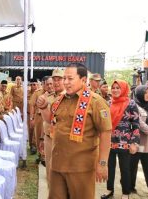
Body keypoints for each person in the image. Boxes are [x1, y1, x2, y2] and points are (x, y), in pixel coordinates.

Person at [38, 63, 112, 199]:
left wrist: (102, 164)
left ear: (83, 80)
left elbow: (105, 133)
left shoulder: (96, 102)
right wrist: (43, 108)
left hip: (80, 168)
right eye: (64, 78)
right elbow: (51, 120)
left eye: (70, 78)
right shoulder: (60, 99)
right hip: (58, 164)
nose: (65, 82)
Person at [101, 80, 140, 199]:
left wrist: (134, 142)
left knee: (125, 169)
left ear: (123, 89)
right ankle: (109, 190)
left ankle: (126, 193)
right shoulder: (108, 103)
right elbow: (104, 123)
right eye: (113, 88)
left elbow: (136, 125)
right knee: (109, 168)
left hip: (125, 143)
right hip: (109, 142)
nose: (115, 90)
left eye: (118, 88)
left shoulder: (131, 104)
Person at [37, 69, 65, 187]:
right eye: (54, 80)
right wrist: (43, 138)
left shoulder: (70, 97)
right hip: (49, 138)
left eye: (59, 79)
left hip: (64, 140)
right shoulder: (47, 98)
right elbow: (46, 121)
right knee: (50, 170)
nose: (56, 82)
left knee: (63, 172)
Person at [30, 76, 53, 164]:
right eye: (47, 84)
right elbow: (32, 105)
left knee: (47, 137)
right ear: (43, 84)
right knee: (38, 136)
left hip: (50, 119)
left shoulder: (55, 94)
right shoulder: (37, 93)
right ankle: (41, 155)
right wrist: (31, 118)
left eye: (51, 84)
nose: (49, 86)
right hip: (39, 118)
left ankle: (45, 157)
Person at [130, 85, 148, 194]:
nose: (147, 95)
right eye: (145, 93)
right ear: (140, 94)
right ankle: (130, 187)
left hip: (146, 145)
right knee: (132, 166)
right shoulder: (134, 106)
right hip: (137, 142)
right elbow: (140, 124)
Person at [28, 78, 38, 154]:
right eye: (31, 85)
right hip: (29, 114)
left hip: (37, 115)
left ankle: (35, 146)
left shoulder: (40, 93)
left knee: (37, 131)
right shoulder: (27, 93)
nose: (32, 86)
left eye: (34, 84)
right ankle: (31, 145)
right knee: (30, 131)